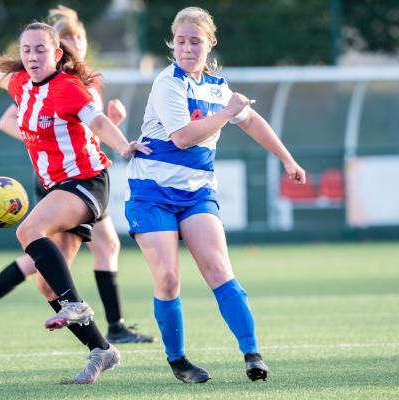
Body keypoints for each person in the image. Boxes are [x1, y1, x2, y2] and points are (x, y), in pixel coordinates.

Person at [125, 7, 306, 383]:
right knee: (169, 278)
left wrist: (287, 159)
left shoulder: (217, 86)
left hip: (196, 193)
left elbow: (251, 120)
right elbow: (183, 137)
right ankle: (178, 361)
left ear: (211, 43)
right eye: (181, 41)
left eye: (195, 41)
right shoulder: (167, 83)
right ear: (172, 44)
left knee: (219, 270)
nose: (187, 48)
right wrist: (227, 113)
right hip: (151, 193)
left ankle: (252, 354)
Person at [0, 6, 153, 347]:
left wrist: (122, 145)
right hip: (55, 183)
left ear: (58, 52)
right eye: (27, 50)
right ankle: (101, 350)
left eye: (41, 49)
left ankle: (91, 313)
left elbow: (97, 124)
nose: (32, 56)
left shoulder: (72, 86)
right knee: (46, 281)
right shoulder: (23, 83)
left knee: (35, 233)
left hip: (85, 182)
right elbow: (4, 83)